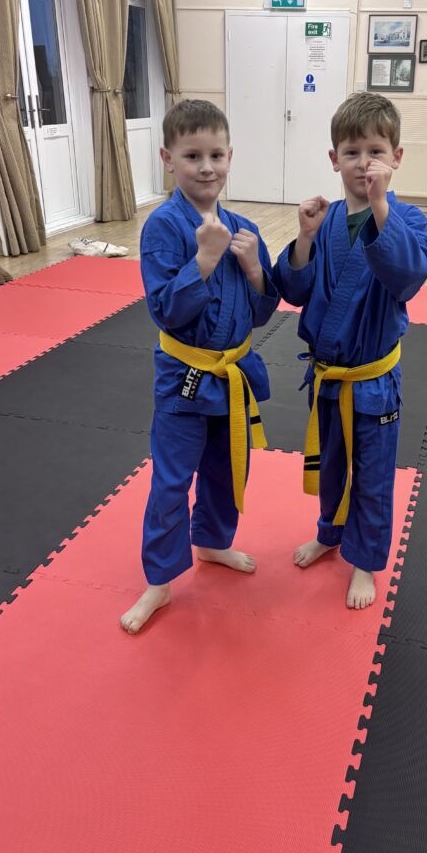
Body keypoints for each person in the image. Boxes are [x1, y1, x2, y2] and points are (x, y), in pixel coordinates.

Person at [272, 92, 427, 609]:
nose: (364, 162)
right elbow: (293, 291)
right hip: (328, 375)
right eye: (351, 151)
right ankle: (329, 532)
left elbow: (409, 277)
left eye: (375, 151)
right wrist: (303, 236)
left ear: (396, 157)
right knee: (329, 462)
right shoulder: (325, 220)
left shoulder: (407, 220)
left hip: (372, 379)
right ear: (333, 159)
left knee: (372, 472)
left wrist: (383, 207)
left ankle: (364, 562)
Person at [121, 100, 279, 634]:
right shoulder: (163, 228)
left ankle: (211, 543)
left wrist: (256, 268)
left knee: (224, 470)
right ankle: (160, 583)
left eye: (215, 154)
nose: (206, 166)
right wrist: (204, 260)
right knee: (171, 480)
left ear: (230, 156)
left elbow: (260, 313)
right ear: (168, 158)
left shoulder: (244, 227)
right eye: (192, 155)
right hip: (183, 378)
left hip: (231, 376)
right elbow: (165, 309)